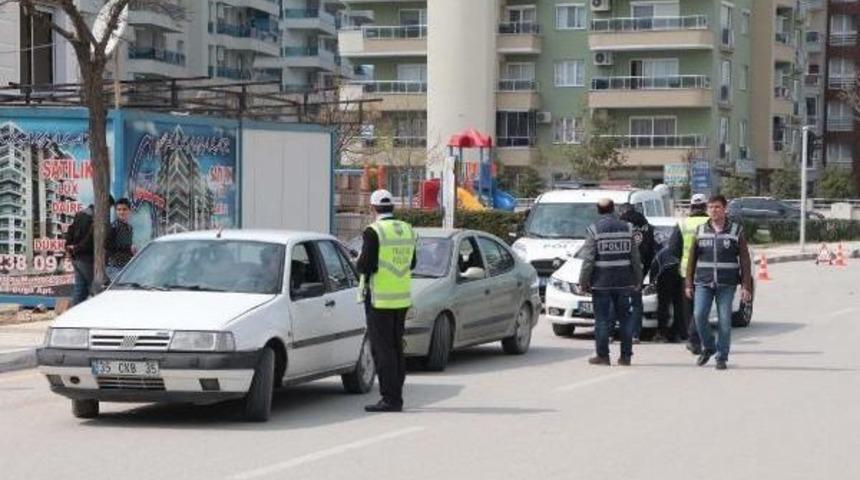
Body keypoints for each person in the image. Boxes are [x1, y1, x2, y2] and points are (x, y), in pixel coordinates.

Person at [356, 189, 417, 412]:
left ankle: (390, 399)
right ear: (393, 207)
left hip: (380, 300)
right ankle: (396, 395)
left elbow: (365, 266)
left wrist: (358, 262)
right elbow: (412, 264)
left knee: (383, 351)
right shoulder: (407, 230)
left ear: (373, 208)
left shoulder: (374, 232)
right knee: (396, 348)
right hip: (401, 299)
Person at [685, 195, 753, 370]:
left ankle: (722, 356)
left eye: (717, 207)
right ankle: (709, 347)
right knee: (699, 315)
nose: (713, 210)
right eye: (711, 207)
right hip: (703, 282)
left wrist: (746, 286)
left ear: (725, 209)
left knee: (724, 321)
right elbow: (691, 260)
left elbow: (745, 260)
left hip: (726, 284)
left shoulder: (736, 231)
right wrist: (688, 283)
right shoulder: (700, 230)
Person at [579, 198, 643, 366]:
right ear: (613, 209)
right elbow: (635, 258)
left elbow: (588, 260)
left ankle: (603, 356)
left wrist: (583, 281)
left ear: (599, 211)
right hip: (624, 282)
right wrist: (638, 279)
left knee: (601, 320)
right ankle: (626, 356)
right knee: (625, 320)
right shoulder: (628, 228)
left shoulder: (594, 230)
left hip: (601, 283)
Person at [673, 193, 711, 355]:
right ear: (705, 207)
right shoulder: (711, 223)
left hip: (685, 273)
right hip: (707, 271)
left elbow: (673, 249)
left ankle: (693, 339)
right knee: (703, 308)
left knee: (689, 309)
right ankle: (699, 339)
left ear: (691, 207)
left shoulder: (683, 224)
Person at [65, 196, 114, 305]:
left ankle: (74, 316)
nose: (108, 211)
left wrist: (69, 248)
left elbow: (70, 231)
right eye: (109, 207)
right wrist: (76, 249)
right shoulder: (95, 218)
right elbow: (90, 240)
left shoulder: (80, 213)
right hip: (86, 258)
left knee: (80, 289)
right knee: (96, 288)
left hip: (76, 258)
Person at [620, 205, 655, 343]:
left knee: (616, 300)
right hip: (638, 268)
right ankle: (635, 334)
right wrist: (644, 271)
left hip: (621, 267)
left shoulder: (620, 225)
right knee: (636, 303)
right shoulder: (647, 226)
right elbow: (651, 251)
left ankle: (611, 333)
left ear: (623, 211)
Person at [650, 233, 685, 343]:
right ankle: (676, 334)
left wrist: (652, 283)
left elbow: (654, 267)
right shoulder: (684, 250)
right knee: (679, 306)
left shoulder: (663, 251)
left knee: (663, 306)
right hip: (681, 276)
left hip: (665, 277)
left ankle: (661, 333)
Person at [106, 198, 134, 283]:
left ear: (129, 210)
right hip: (114, 266)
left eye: (124, 209)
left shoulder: (129, 228)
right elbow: (107, 245)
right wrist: (128, 247)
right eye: (119, 210)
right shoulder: (113, 227)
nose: (121, 212)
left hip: (126, 266)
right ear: (116, 211)